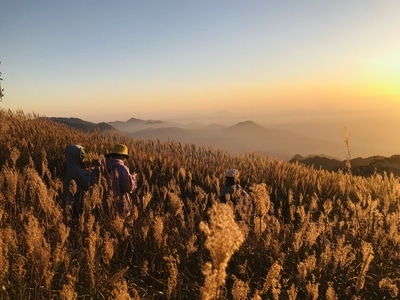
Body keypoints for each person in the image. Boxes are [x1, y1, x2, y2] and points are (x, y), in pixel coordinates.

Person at [62, 144, 100, 217]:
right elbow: (89, 183)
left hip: (70, 202)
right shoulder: (75, 171)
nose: (83, 159)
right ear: (76, 157)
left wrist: (91, 167)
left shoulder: (71, 167)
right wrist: (96, 169)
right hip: (74, 206)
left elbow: (83, 176)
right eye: (82, 157)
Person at [105, 143, 137, 216]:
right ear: (123, 156)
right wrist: (133, 177)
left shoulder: (102, 166)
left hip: (104, 204)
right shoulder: (122, 168)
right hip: (119, 205)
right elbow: (128, 187)